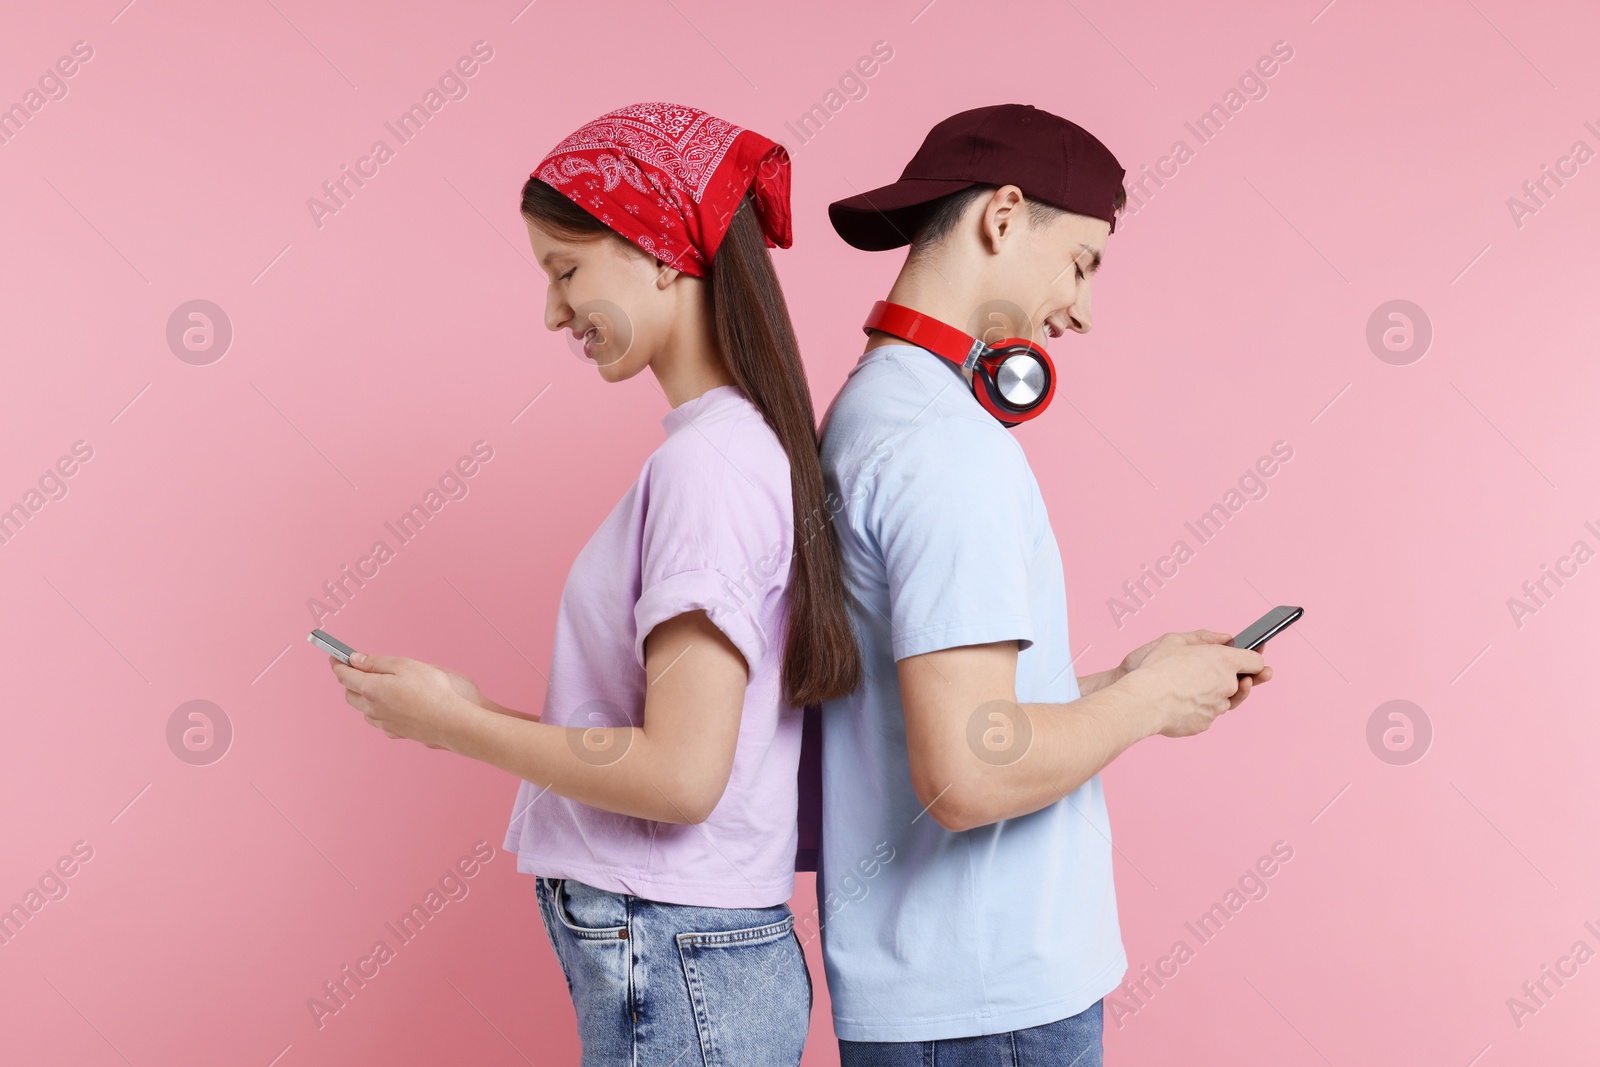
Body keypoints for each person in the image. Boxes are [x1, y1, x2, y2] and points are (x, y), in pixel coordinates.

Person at [326, 101, 861, 1066]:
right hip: (689, 950)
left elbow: (681, 775)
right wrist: (469, 703)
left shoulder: (710, 471)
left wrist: (454, 724)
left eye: (565, 270)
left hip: (676, 947)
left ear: (661, 251)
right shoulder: (730, 452)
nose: (553, 311)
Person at [813, 103, 1275, 1065]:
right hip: (990, 1006)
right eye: (1084, 261)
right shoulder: (946, 448)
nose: (1085, 309)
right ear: (1006, 214)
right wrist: (1146, 703)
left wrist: (1124, 682)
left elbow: (942, 716)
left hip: (946, 996)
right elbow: (970, 773)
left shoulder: (876, 407)